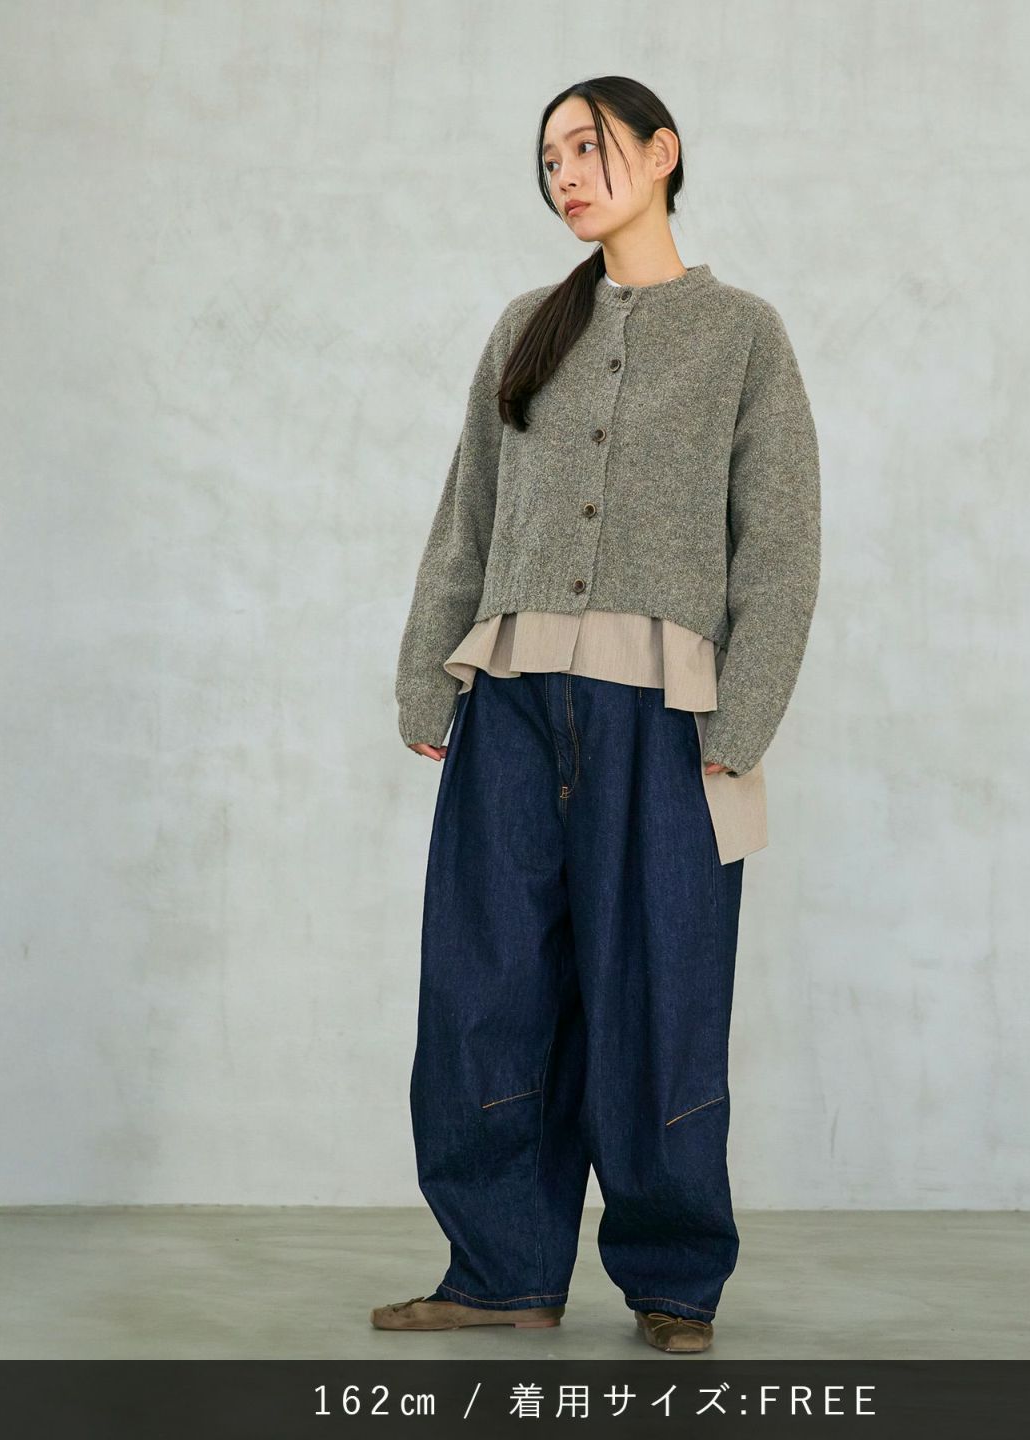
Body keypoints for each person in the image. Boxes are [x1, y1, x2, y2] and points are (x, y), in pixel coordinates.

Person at [373, 75, 820, 1354]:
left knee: (660, 995)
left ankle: (675, 1282)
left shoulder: (743, 336)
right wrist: (426, 676)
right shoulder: (527, 327)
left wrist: (742, 720)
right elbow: (467, 516)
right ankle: (499, 1269)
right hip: (510, 706)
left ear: (663, 152)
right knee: (486, 990)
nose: (565, 174)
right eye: (550, 159)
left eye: (589, 146)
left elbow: (781, 543)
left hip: (670, 720)